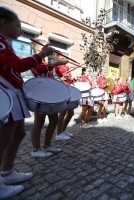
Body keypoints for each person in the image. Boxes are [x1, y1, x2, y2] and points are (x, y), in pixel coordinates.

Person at [0, 6, 54, 198]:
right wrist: (41, 55)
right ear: (3, 23)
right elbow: (17, 65)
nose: (20, 30)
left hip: (14, 93)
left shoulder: (5, 44)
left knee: (19, 133)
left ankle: (7, 172)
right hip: (6, 94)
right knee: (3, 139)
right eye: (18, 25)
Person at [30, 39, 69, 158]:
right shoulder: (34, 60)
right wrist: (56, 64)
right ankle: (36, 150)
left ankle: (47, 146)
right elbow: (38, 70)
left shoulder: (45, 62)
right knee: (39, 122)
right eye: (44, 45)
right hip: (40, 95)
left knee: (54, 120)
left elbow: (48, 76)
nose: (48, 47)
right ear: (37, 49)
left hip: (49, 96)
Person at [55, 53, 75, 140]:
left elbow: (69, 79)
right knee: (62, 113)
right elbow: (56, 77)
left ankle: (63, 130)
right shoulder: (57, 67)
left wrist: (73, 79)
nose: (64, 59)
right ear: (57, 57)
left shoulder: (67, 67)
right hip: (62, 90)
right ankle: (58, 133)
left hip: (69, 89)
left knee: (71, 113)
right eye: (62, 57)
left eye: (65, 57)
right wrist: (61, 78)